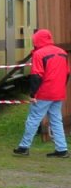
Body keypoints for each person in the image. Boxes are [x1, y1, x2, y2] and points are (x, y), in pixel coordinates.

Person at [14, 28, 69, 158]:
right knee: (56, 120)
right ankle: (62, 149)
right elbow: (67, 74)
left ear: (36, 40)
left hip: (44, 93)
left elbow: (36, 76)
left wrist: (33, 94)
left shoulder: (39, 54)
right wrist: (61, 87)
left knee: (33, 119)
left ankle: (24, 147)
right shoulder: (62, 52)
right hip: (58, 92)